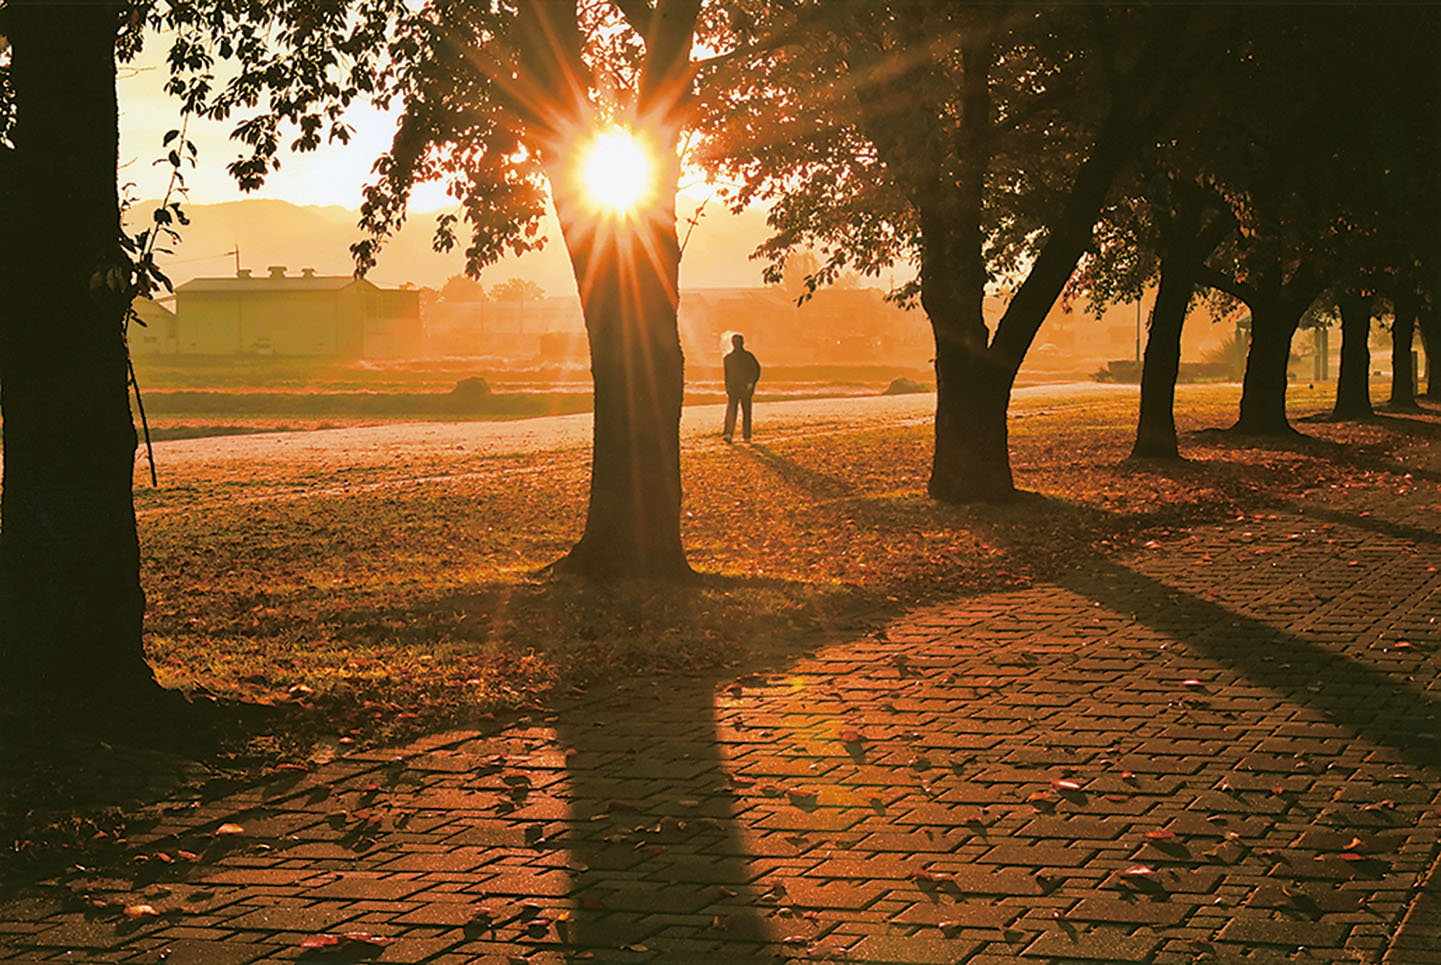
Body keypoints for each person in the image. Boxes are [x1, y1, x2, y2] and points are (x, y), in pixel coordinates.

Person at [722, 333, 761, 443]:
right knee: (735, 411)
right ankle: (731, 434)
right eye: (735, 342)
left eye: (738, 342)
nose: (736, 344)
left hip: (744, 388)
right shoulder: (729, 358)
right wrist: (728, 388)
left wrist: (751, 383)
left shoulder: (739, 357)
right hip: (736, 388)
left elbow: (756, 371)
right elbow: (727, 376)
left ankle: (745, 436)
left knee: (743, 411)